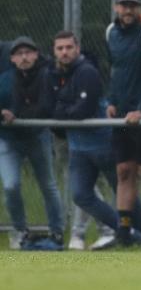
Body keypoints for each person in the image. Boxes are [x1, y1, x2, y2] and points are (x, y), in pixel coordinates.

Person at [48, 31, 127, 249]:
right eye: (60, 48)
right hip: (77, 146)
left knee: (121, 187)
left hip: (103, 143)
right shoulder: (54, 74)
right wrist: (64, 111)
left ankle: (135, 232)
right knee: (81, 194)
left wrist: (63, 111)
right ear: (54, 51)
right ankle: (122, 230)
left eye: (68, 47)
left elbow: (83, 108)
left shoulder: (87, 71)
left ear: (77, 48)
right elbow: (50, 107)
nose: (64, 52)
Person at [105, 0, 141, 245]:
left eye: (132, 5)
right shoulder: (111, 32)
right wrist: (111, 101)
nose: (127, 9)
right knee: (124, 171)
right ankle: (124, 231)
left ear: (139, 8)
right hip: (121, 114)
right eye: (123, 5)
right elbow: (114, 70)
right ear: (117, 7)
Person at [0, 37, 65, 249]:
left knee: (48, 185)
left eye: (28, 52)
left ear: (36, 54)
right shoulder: (6, 79)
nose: (24, 57)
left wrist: (19, 114)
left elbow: (46, 106)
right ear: (12, 58)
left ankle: (57, 231)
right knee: (11, 185)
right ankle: (20, 230)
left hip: (37, 136)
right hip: (8, 139)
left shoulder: (45, 75)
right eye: (19, 54)